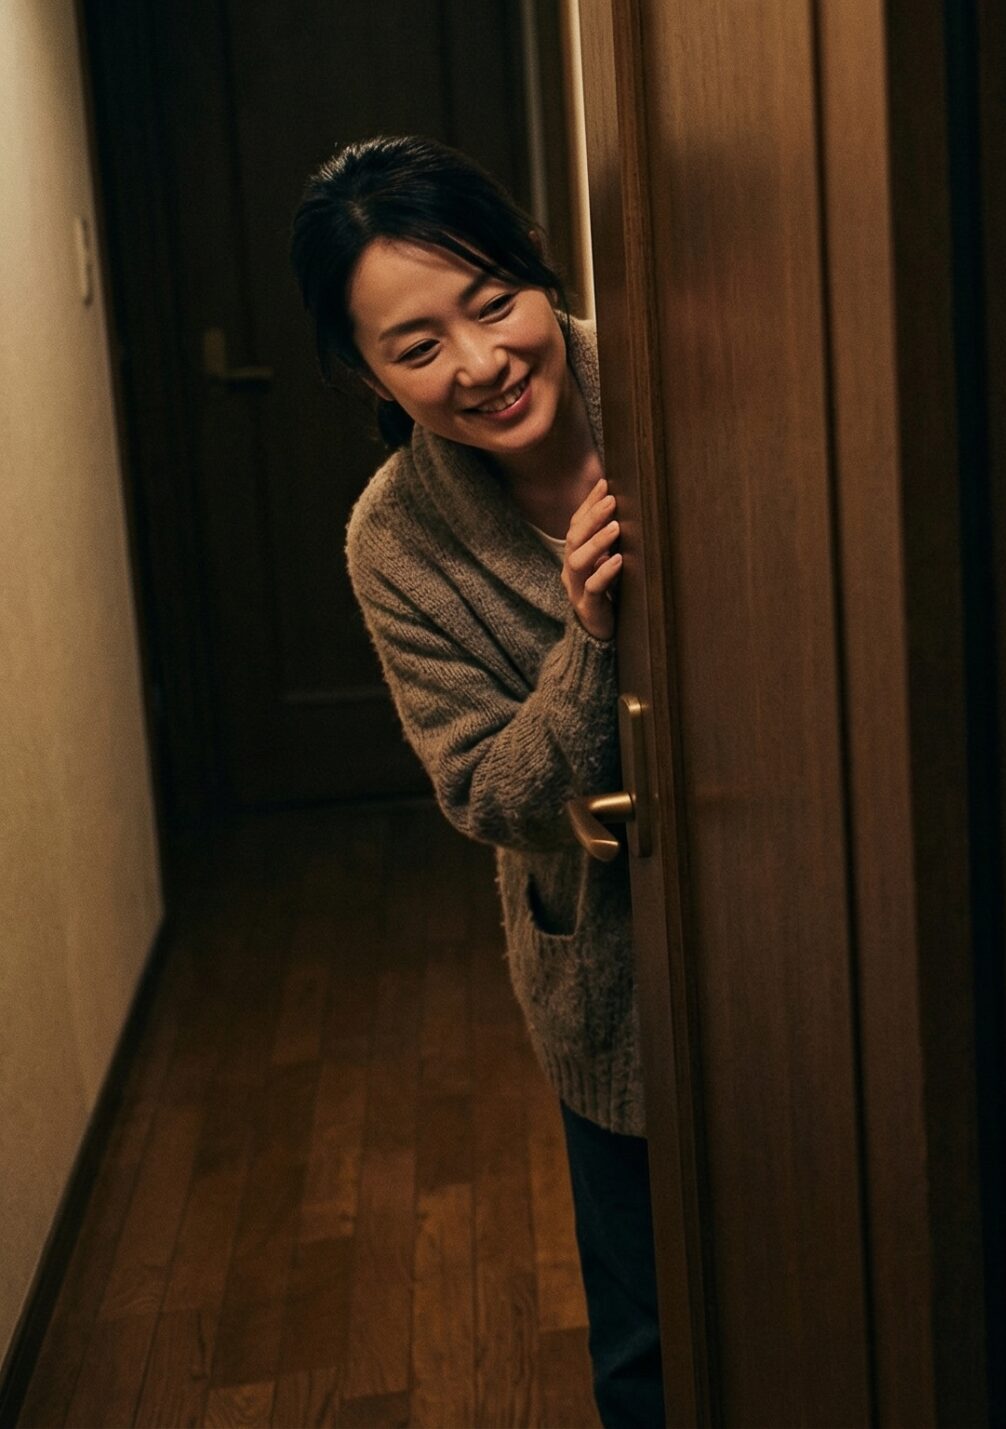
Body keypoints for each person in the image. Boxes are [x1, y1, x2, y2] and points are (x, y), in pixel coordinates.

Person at [292, 136, 661, 1429]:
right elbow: (484, 790)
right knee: (647, 1341)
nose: (480, 362)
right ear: (368, 373)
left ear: (538, 271)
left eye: (494, 301)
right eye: (418, 344)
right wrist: (589, 638)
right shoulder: (394, 537)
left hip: (802, 914)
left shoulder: (685, 376)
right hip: (610, 967)